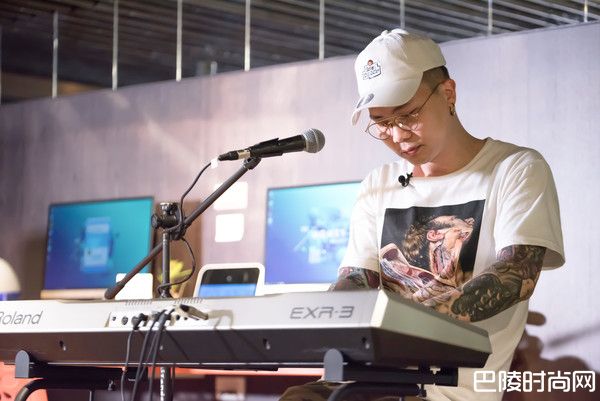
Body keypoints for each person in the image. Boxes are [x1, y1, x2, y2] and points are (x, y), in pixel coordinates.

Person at [281, 29, 565, 401]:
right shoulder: (378, 184)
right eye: (382, 122)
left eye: (408, 115)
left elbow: (517, 274)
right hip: (368, 379)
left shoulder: (515, 168)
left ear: (448, 94)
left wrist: (407, 322)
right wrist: (312, 316)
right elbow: (356, 281)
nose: (398, 136)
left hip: (450, 391)